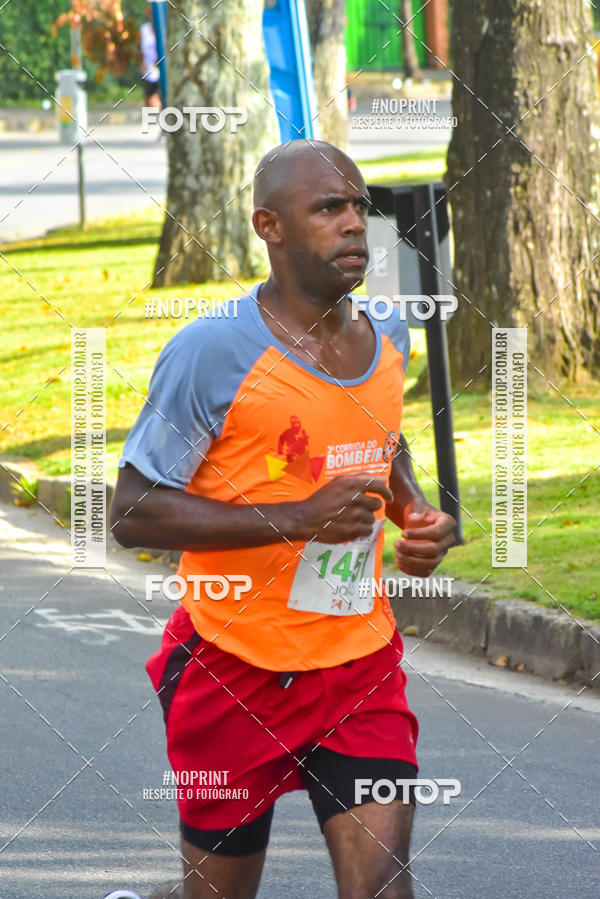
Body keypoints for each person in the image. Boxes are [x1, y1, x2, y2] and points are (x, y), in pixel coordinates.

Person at [110, 139, 456, 899]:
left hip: (357, 664)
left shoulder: (390, 336)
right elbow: (130, 510)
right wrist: (294, 517)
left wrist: (415, 513)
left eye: (359, 206)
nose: (354, 224)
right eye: (328, 208)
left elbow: (381, 446)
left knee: (382, 889)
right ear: (270, 226)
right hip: (230, 667)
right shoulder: (213, 351)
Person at [139, 5, 161, 110]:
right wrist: (142, 63)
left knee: (158, 98)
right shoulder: (144, 29)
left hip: (161, 68)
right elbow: (139, 48)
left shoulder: (162, 28)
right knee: (149, 100)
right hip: (148, 69)